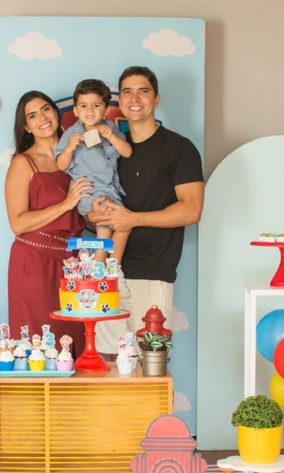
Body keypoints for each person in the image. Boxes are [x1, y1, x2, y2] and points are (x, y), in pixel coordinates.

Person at [87, 66, 205, 358]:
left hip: (152, 276)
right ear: (120, 101)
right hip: (106, 277)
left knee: (151, 370)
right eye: (127, 91)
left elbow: (192, 210)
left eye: (143, 90)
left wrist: (133, 219)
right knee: (108, 366)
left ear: (156, 99)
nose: (135, 98)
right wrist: (92, 215)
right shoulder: (107, 148)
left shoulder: (180, 148)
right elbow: (91, 206)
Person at [5, 90, 92, 357]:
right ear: (26, 126)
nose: (42, 118)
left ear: (56, 112)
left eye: (45, 109)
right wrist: (65, 203)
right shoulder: (23, 163)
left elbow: (86, 211)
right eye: (32, 115)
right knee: (40, 343)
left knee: (76, 342)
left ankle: (73, 401)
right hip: (34, 261)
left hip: (73, 262)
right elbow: (17, 223)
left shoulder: (80, 155)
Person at [54, 79, 133, 297]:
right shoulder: (71, 133)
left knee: (125, 223)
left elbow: (126, 152)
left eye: (96, 105)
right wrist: (69, 148)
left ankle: (112, 270)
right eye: (83, 106)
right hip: (88, 191)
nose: (90, 110)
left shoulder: (112, 128)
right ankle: (100, 272)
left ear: (106, 110)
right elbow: (60, 165)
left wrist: (112, 138)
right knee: (106, 219)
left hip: (110, 189)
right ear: (76, 111)